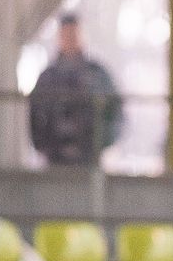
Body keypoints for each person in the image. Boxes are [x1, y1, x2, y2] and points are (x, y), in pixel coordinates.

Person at [27, 14, 122, 168]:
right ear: (59, 37)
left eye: (74, 34)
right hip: (54, 158)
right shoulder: (48, 78)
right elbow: (34, 114)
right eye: (66, 34)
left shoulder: (97, 75)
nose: (70, 39)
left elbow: (115, 111)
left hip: (89, 158)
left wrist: (103, 141)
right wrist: (42, 144)